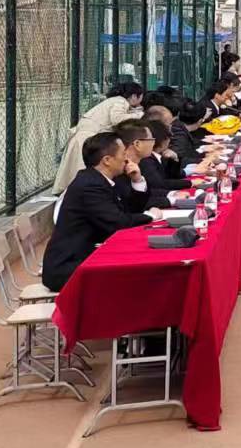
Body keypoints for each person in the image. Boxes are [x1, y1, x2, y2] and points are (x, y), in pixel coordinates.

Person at [43, 132, 165, 291]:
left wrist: (137, 181)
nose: (127, 159)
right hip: (68, 266)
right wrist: (150, 216)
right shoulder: (90, 186)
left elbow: (128, 211)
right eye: (123, 154)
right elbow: (118, 223)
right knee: (139, 275)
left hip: (88, 254)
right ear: (107, 160)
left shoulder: (101, 180)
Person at [51, 80, 143, 195]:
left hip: (85, 135)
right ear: (134, 96)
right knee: (82, 171)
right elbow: (117, 119)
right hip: (88, 136)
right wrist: (139, 115)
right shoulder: (120, 101)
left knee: (74, 171)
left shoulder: (113, 101)